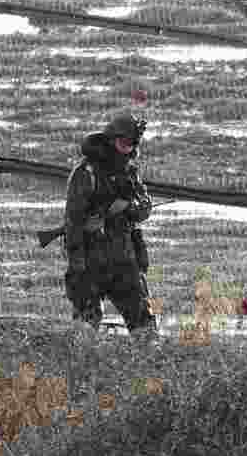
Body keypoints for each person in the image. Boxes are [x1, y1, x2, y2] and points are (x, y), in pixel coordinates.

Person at [63, 111, 158, 342]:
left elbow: (144, 207)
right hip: (91, 260)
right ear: (111, 140)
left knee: (145, 327)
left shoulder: (130, 173)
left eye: (131, 144)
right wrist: (77, 262)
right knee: (85, 329)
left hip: (124, 259)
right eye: (123, 143)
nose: (126, 149)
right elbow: (73, 222)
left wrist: (128, 208)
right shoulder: (86, 174)